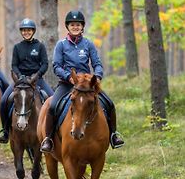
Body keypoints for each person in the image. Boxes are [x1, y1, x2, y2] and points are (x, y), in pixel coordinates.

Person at [40, 10, 124, 152]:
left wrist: (96, 76)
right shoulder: (61, 45)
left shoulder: (88, 44)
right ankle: (48, 139)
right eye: (72, 25)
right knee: (53, 106)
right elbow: (56, 66)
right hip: (68, 84)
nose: (75, 27)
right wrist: (68, 77)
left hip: (87, 85)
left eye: (78, 25)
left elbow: (97, 63)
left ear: (82, 27)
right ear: (68, 26)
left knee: (109, 104)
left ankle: (114, 135)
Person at [0, 18, 54, 144]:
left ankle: (52, 134)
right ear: (21, 32)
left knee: (53, 99)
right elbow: (14, 65)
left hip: (36, 80)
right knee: (3, 101)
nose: (26, 32)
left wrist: (37, 75)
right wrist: (19, 76)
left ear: (33, 31)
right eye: (24, 30)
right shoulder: (17, 47)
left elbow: (44, 64)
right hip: (20, 81)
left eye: (29, 30)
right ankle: (6, 131)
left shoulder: (40, 46)